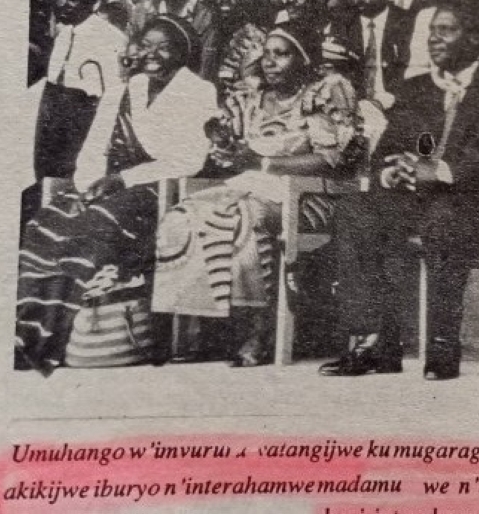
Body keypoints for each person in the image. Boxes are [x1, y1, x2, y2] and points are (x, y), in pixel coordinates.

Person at [320, 0, 479, 380]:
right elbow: (393, 148)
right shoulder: (418, 89)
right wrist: (392, 171)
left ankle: (442, 345)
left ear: (475, 38)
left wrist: (444, 170)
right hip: (418, 199)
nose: (434, 39)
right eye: (432, 31)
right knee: (356, 211)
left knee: (443, 217)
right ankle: (374, 341)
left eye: (446, 30)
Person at [152, 22, 364, 366]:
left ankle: (259, 329)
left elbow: (332, 159)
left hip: (308, 197)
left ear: (304, 59)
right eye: (266, 53)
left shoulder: (320, 94)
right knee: (183, 216)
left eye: (281, 54)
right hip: (249, 186)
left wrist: (264, 162)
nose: (269, 61)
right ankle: (200, 332)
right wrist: (226, 149)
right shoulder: (249, 98)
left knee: (242, 217)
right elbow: (230, 153)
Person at [17, 16, 217, 374]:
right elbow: (94, 149)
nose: (152, 54)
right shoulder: (125, 89)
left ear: (183, 53)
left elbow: (190, 159)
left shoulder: (199, 91)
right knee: (44, 224)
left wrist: (121, 180)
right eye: (146, 45)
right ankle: (30, 336)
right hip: (106, 188)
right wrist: (87, 187)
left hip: (158, 191)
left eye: (164, 47)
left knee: (92, 228)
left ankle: (54, 340)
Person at [34, 0, 128, 183]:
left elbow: (114, 95)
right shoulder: (64, 34)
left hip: (86, 127)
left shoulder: (110, 38)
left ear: (90, 2)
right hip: (54, 126)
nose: (62, 4)